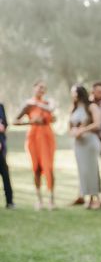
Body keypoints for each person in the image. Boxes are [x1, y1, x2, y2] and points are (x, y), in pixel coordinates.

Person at [14, 81, 56, 210]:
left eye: (43, 88)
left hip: (47, 136)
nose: (41, 90)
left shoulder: (47, 104)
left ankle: (51, 200)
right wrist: (31, 121)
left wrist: (48, 118)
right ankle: (39, 200)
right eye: (39, 88)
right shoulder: (29, 105)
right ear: (34, 89)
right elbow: (15, 121)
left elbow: (54, 118)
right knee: (36, 168)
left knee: (49, 167)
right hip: (34, 137)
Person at [69, 85, 101, 209]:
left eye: (73, 92)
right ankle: (87, 197)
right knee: (83, 171)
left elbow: (97, 123)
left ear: (79, 93)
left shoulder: (91, 106)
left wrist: (83, 130)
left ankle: (97, 198)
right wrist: (73, 131)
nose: (72, 95)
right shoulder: (74, 108)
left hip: (90, 142)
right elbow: (70, 125)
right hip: (79, 144)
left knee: (92, 170)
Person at [0, 102, 14, 209]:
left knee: (5, 172)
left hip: (1, 147)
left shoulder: (1, 106)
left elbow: (5, 124)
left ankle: (9, 201)